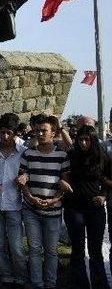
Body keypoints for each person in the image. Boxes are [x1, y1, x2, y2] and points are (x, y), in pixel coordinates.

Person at [17, 115, 70, 289]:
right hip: (31, 209)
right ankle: (37, 283)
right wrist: (29, 197)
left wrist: (54, 199)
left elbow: (65, 183)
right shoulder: (28, 153)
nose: (39, 133)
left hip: (53, 212)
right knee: (34, 249)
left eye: (44, 130)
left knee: (51, 250)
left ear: (53, 133)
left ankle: (50, 283)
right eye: (37, 131)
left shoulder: (62, 155)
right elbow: (22, 179)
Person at [62, 125, 111, 288]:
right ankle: (79, 284)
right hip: (74, 207)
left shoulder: (101, 156)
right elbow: (61, 174)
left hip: (95, 209)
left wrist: (103, 196)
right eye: (80, 139)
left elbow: (109, 180)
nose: (83, 143)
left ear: (93, 140)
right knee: (77, 249)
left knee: (95, 250)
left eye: (87, 140)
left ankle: (99, 284)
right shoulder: (70, 155)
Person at [0, 113, 27, 289]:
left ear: (15, 133)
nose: (5, 136)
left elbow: (30, 170)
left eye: (9, 133)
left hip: (15, 204)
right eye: (2, 132)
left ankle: (21, 278)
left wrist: (25, 176)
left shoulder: (24, 150)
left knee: (16, 246)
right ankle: (6, 278)